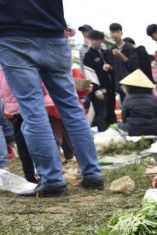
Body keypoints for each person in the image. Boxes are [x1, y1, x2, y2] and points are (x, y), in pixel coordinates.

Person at [0, 2, 103, 197]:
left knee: (33, 110)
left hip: (13, 35)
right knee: (72, 108)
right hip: (54, 34)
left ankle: (53, 180)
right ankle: (92, 174)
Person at [83, 30, 116, 132]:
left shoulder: (107, 53)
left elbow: (115, 67)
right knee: (101, 115)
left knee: (111, 113)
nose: (95, 42)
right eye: (93, 40)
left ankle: (114, 136)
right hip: (99, 91)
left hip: (110, 88)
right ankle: (103, 137)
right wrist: (97, 90)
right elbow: (89, 75)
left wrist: (110, 67)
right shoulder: (88, 55)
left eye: (97, 39)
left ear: (102, 40)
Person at [118, 69, 157, 137]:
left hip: (132, 130)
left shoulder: (128, 98)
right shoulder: (153, 98)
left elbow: (124, 118)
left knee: (119, 125)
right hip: (153, 129)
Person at [109, 23, 139, 104]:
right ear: (110, 34)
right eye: (113, 32)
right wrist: (108, 66)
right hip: (120, 85)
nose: (115, 34)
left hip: (131, 85)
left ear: (121, 33)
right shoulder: (112, 49)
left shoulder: (129, 48)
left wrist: (121, 56)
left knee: (134, 106)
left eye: (117, 32)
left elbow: (135, 67)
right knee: (124, 107)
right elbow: (113, 68)